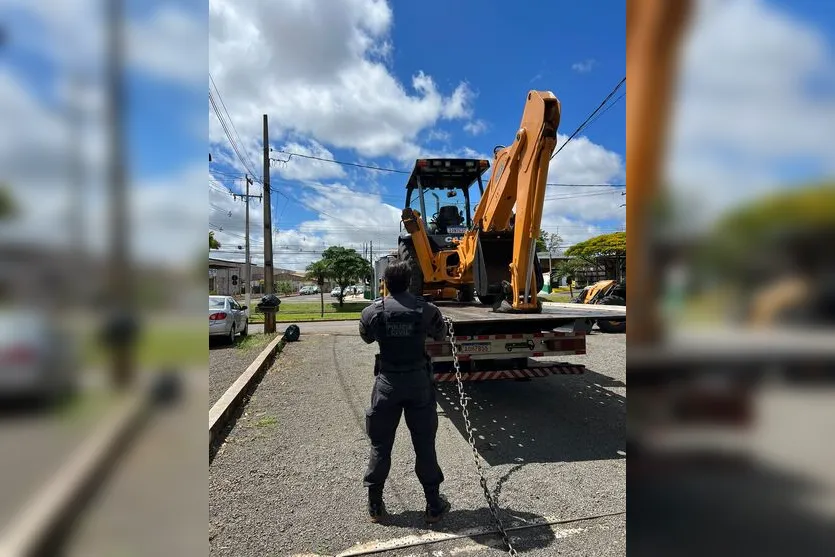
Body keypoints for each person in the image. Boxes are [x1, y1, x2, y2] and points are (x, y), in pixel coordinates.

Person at [358, 261, 451, 524]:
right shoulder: (427, 310)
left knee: (380, 445)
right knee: (425, 447)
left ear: (385, 283)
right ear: (409, 282)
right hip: (419, 384)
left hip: (387, 384)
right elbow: (440, 333)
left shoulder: (372, 311)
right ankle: (433, 505)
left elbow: (365, 337)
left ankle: (375, 506)